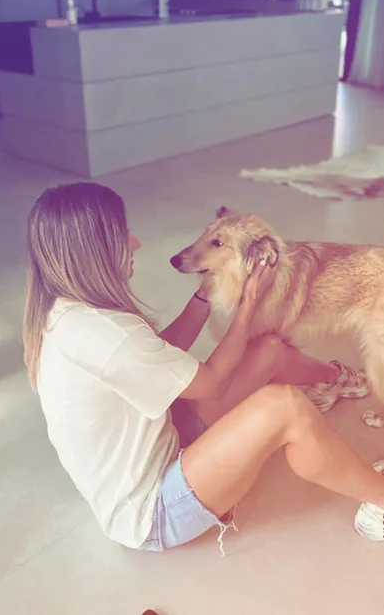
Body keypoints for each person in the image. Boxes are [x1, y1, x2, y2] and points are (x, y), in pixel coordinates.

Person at [23, 182, 384, 555]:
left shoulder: (71, 312)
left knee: (269, 349)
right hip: (155, 511)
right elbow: (213, 384)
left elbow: (160, 352)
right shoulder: (107, 334)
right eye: (122, 234)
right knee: (287, 407)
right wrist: (248, 305)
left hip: (161, 441)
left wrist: (203, 293)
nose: (135, 242)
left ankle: (336, 379)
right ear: (93, 251)